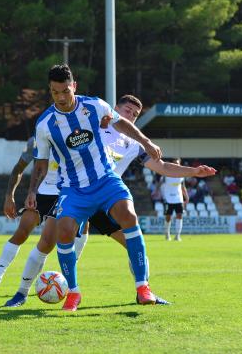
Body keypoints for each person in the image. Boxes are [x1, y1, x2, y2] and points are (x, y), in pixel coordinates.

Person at [26, 64, 210, 311]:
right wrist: (31, 192)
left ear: (74, 87)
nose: (61, 97)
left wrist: (146, 142)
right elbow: (40, 163)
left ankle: (143, 288)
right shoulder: (45, 124)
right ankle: (73, 292)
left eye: (65, 91)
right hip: (74, 187)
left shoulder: (96, 108)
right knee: (64, 231)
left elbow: (130, 132)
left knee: (129, 217)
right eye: (55, 92)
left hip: (105, 181)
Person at [0, 137, 63, 294]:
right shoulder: (36, 140)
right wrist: (9, 196)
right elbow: (19, 168)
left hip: (66, 192)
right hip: (41, 192)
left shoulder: (73, 132)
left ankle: (65, 285)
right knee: (21, 232)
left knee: (47, 243)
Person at [161, 159, 189, 241]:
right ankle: (167, 234)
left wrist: (186, 197)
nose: (176, 165)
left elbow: (183, 187)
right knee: (168, 216)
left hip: (178, 198)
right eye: (175, 163)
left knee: (179, 215)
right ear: (172, 164)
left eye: (178, 163)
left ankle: (177, 235)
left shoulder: (181, 175)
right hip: (168, 198)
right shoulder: (166, 173)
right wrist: (157, 191)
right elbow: (160, 183)